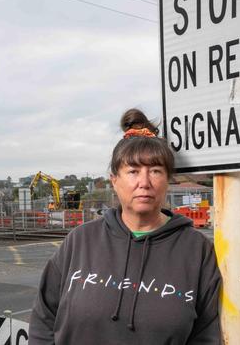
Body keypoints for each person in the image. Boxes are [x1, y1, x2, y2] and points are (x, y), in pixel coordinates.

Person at [29, 108, 222, 344]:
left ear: (168, 180)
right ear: (114, 180)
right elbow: (43, 319)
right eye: (133, 171)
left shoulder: (196, 249)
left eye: (155, 171)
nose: (144, 182)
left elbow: (206, 335)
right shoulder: (80, 240)